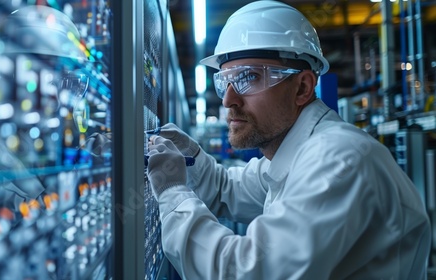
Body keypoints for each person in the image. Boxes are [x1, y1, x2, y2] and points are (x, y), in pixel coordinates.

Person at [146, 1, 431, 279]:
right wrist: (190, 157)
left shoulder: (338, 160)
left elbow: (245, 272)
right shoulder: (294, 154)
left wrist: (172, 192)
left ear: (302, 87)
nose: (229, 100)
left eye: (249, 77)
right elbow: (226, 190)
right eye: (225, 82)